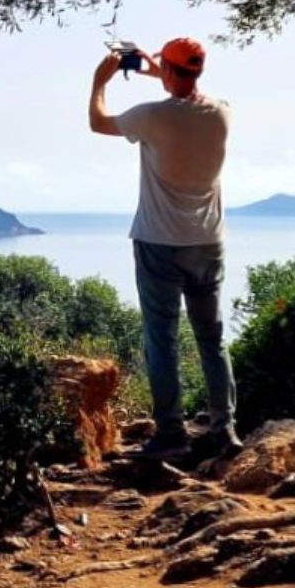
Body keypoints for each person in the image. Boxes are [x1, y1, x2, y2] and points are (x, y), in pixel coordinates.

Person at [89, 37, 240, 458]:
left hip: (159, 242)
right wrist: (159, 68)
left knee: (163, 338)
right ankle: (224, 429)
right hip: (208, 242)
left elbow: (98, 121)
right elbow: (186, 86)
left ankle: (170, 433)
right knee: (213, 338)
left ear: (170, 71)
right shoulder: (222, 114)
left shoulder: (150, 116)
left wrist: (100, 81)